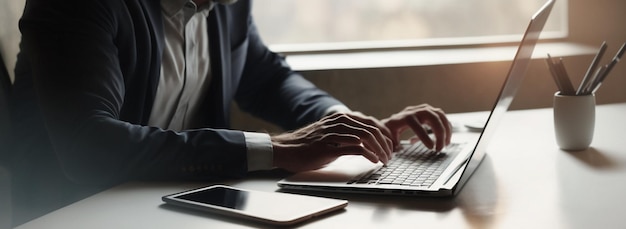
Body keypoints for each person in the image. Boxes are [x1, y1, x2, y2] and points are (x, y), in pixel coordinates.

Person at [8, 0, 452, 226]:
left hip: (179, 200)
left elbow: (265, 76)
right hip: (74, 211)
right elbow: (89, 146)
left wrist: (347, 124)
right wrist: (276, 148)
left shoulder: (228, 4)